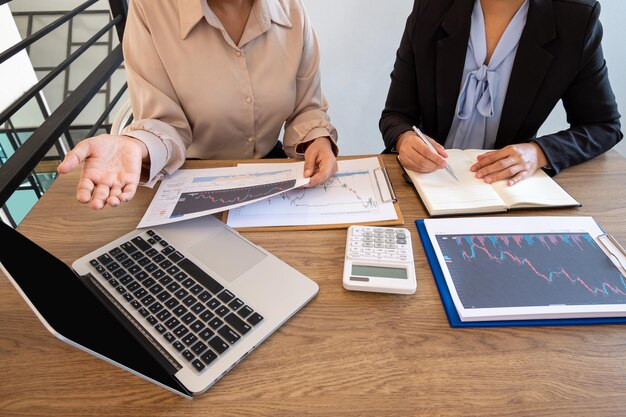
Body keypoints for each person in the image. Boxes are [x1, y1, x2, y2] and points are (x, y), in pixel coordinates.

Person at [57, 0, 338, 210]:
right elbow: (163, 122)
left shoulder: (291, 9)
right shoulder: (151, 10)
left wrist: (316, 139)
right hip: (189, 176)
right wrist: (135, 146)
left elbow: (305, 106)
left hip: (268, 174)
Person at [380, 0, 622, 186]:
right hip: (425, 181)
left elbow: (603, 126)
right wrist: (405, 139)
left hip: (505, 187)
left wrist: (539, 153)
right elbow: (396, 114)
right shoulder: (433, 6)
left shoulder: (574, 18)